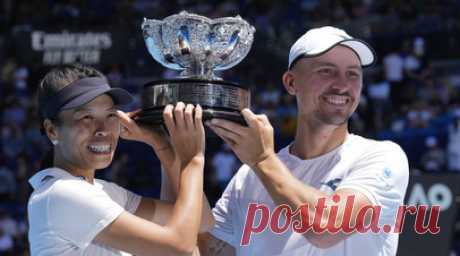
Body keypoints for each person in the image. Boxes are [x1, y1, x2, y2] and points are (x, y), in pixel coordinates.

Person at [200, 26, 409, 256]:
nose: (342, 84)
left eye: (353, 74)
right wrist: (180, 159)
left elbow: (327, 228)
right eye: (326, 71)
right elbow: (204, 251)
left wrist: (262, 159)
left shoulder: (381, 156)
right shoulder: (249, 176)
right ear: (291, 82)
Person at [27, 64, 214, 256]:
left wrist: (163, 146)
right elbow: (179, 246)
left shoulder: (105, 192)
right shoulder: (61, 193)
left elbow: (200, 221)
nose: (103, 129)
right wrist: (192, 160)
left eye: (110, 115)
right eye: (86, 117)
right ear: (52, 130)